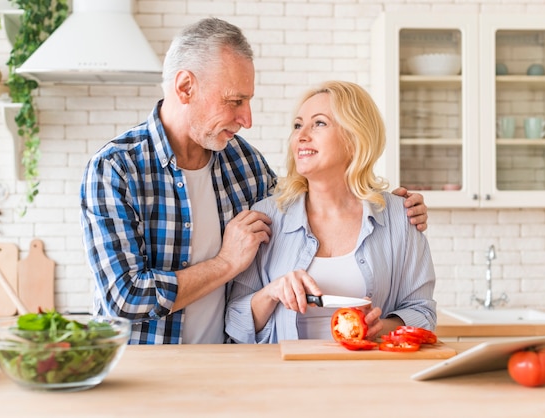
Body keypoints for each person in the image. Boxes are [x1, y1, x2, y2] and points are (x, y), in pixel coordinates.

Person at [80, 18, 428, 345]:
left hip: (225, 369)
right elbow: (124, 298)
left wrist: (394, 207)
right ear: (186, 88)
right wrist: (225, 263)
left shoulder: (245, 165)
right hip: (143, 374)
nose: (246, 118)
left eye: (248, 101)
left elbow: (309, 201)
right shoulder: (116, 169)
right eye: (235, 101)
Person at [225, 81, 436, 344]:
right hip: (286, 377)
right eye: (298, 125)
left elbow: (422, 312)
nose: (301, 136)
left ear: (354, 136)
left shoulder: (399, 216)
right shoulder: (267, 218)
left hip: (369, 377)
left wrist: (380, 328)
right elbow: (235, 323)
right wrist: (272, 292)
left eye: (319, 123)